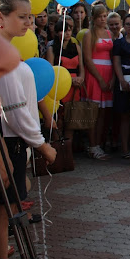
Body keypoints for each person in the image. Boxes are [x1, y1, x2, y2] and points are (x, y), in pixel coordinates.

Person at [0, 0, 57, 259]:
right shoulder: (1, 57)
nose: (29, 23)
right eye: (22, 17)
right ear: (0, 18)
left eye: (30, 17)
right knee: (0, 215)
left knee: (4, 215)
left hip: (13, 142)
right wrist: (41, 144)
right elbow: (14, 111)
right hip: (7, 143)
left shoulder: (7, 53)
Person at [46, 16, 84, 157]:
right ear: (56, 33)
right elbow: (50, 69)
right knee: (59, 120)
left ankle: (67, 151)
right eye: (63, 31)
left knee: (71, 119)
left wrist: (81, 79)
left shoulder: (76, 47)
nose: (67, 34)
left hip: (75, 87)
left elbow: (82, 67)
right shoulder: (52, 49)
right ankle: (58, 150)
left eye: (69, 31)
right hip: (60, 86)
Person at [83, 3, 114, 160]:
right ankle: (92, 145)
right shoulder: (89, 34)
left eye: (105, 15)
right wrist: (100, 79)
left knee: (103, 113)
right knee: (93, 113)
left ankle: (100, 144)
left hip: (109, 74)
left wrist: (112, 77)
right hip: (95, 75)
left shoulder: (109, 33)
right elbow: (87, 59)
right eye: (100, 16)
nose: (103, 19)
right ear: (94, 19)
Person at [111, 14, 130, 165]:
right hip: (124, 81)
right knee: (125, 117)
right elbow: (116, 63)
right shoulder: (119, 43)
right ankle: (124, 149)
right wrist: (121, 80)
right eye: (128, 24)